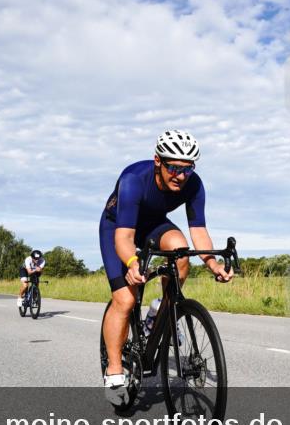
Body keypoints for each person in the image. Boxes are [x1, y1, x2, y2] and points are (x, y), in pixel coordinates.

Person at [99, 129, 233, 405]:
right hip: (118, 226)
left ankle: (160, 310)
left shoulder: (194, 185)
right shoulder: (134, 179)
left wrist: (213, 263)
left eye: (187, 169)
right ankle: (114, 371)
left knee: (181, 252)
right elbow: (124, 238)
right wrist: (133, 263)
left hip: (153, 224)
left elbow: (199, 231)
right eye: (173, 167)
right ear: (157, 161)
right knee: (125, 299)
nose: (180, 175)